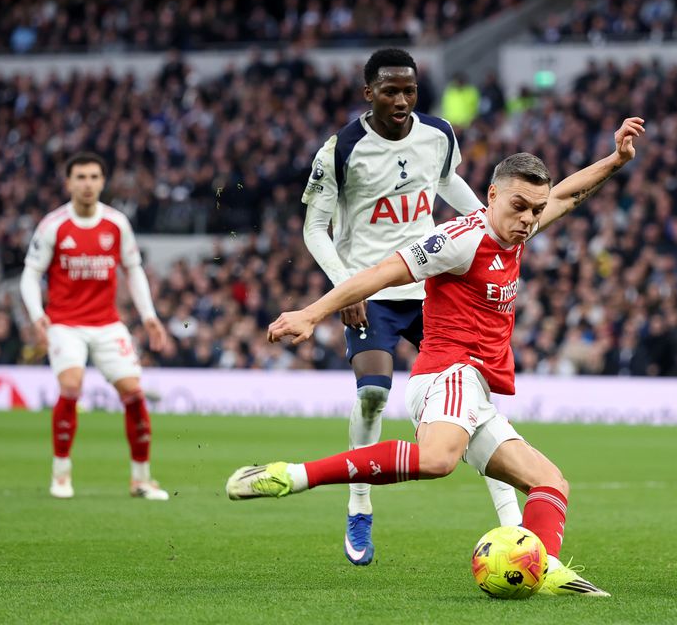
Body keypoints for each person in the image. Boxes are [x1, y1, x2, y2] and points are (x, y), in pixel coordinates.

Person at [228, 117, 646, 597]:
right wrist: (312, 312)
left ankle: (544, 567)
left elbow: (568, 196)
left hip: (476, 389)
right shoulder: (459, 239)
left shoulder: (517, 231)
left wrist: (616, 160)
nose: (529, 219)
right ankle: (293, 476)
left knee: (551, 483)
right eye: (519, 207)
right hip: (448, 373)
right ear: (491, 196)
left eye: (535, 210)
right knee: (438, 459)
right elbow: (382, 273)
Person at [301, 47, 521, 566]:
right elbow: (314, 228)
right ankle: (359, 504)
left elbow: (446, 182)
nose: (402, 100)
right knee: (374, 394)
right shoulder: (341, 149)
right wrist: (346, 286)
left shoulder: (439, 134)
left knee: (476, 396)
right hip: (371, 289)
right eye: (391, 91)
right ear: (369, 93)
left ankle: (513, 526)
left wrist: (491, 226)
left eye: (410, 90)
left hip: (431, 284)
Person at [19, 152, 172, 501]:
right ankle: (61, 475)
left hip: (107, 323)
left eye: (93, 177)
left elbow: (133, 269)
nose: (87, 184)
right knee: (71, 385)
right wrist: (37, 315)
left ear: (103, 182)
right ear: (68, 183)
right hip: (65, 323)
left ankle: (141, 480)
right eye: (80, 177)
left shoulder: (116, 223)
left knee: (134, 392)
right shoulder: (53, 225)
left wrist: (148, 315)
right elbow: (30, 273)